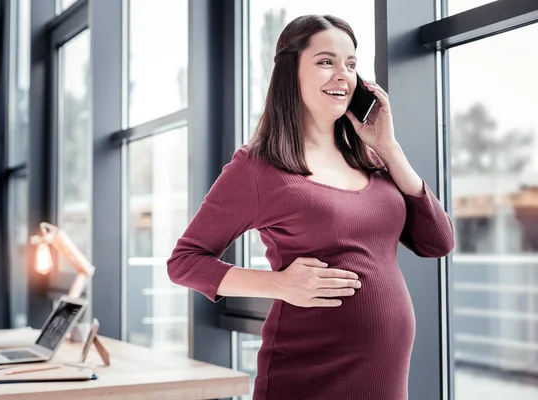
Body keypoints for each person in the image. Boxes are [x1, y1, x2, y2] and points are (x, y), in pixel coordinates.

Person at [167, 14, 455, 400]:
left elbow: (438, 241)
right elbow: (185, 261)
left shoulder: (373, 160)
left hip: (384, 382)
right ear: (291, 72)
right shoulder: (258, 166)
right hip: (305, 376)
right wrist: (278, 285)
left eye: (350, 64)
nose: (343, 75)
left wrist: (389, 148)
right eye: (326, 62)